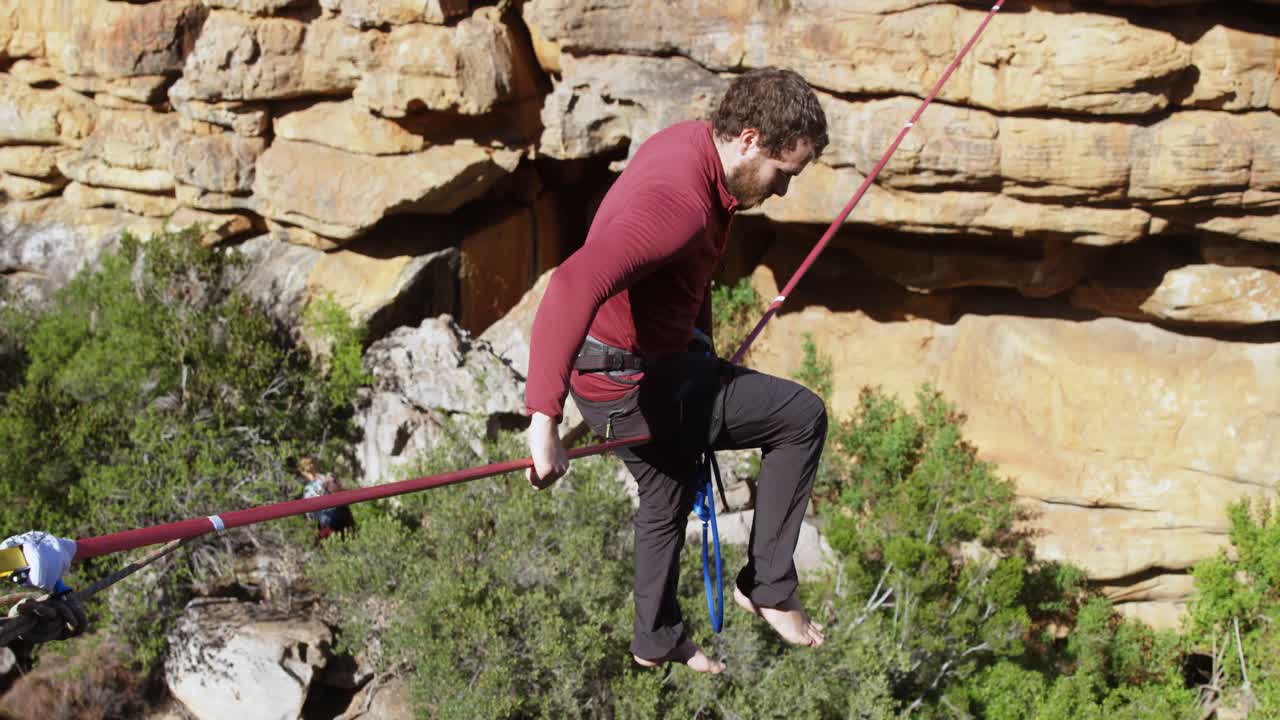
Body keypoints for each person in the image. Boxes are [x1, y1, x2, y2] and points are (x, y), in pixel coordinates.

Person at [524, 67, 830, 674]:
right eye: (783, 173)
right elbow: (572, 283)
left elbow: (683, 273)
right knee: (801, 417)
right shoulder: (680, 205)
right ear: (748, 140)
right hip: (626, 383)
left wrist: (698, 343)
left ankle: (656, 636)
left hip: (618, 369)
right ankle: (768, 585)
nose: (783, 191)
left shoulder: (694, 148)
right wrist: (543, 421)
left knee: (667, 486)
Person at [299, 457, 356, 540]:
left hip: (338, 514)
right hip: (329, 520)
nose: (311, 468)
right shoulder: (309, 488)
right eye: (308, 468)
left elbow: (310, 515)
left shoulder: (323, 478)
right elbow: (311, 512)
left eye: (311, 465)